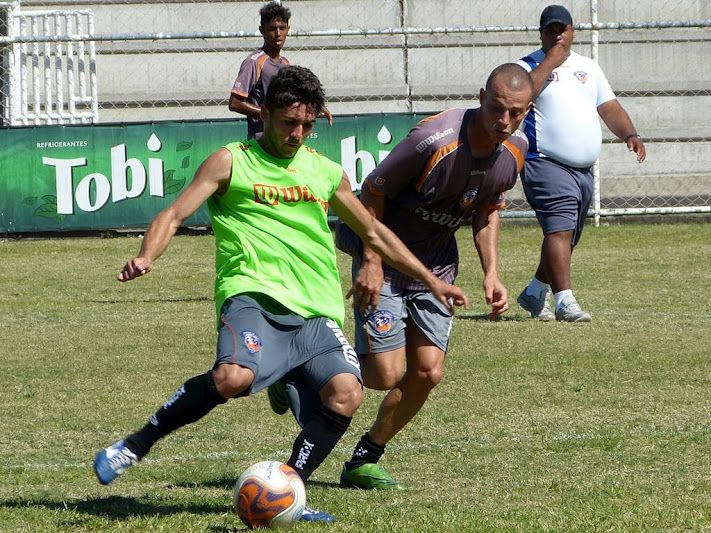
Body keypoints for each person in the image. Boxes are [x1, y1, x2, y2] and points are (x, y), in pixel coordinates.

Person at [93, 66, 468, 523]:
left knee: (347, 393)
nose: (297, 133)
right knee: (232, 378)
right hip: (253, 298)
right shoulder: (230, 161)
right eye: (289, 122)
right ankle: (134, 445)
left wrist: (431, 280)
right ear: (265, 114)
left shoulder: (326, 172)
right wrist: (148, 255)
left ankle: (288, 489)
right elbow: (172, 215)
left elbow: (373, 231)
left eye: (307, 125)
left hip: (315, 311)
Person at [269, 63, 534, 490]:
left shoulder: (515, 150)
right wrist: (371, 261)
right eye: (497, 108)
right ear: (482, 96)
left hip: (437, 268)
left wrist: (492, 274)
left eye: (516, 113)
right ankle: (298, 370)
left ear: (528, 110)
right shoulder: (435, 138)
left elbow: (486, 209)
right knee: (385, 374)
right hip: (387, 262)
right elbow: (374, 189)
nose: (504, 121)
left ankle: (365, 456)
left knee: (428, 372)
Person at [515, 4, 646, 322]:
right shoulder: (526, 66)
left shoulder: (589, 67)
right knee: (559, 228)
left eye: (564, 28)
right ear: (542, 33)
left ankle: (534, 292)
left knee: (568, 234)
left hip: (583, 170)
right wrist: (550, 63)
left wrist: (629, 133)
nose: (558, 34)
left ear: (573, 31)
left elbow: (609, 106)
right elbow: (519, 96)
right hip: (543, 161)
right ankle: (565, 302)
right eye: (551, 30)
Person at [228, 1, 331, 139]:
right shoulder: (254, 62)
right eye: (272, 28)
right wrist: (268, 116)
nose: (278, 33)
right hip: (261, 141)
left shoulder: (285, 63)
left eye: (282, 28)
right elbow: (235, 103)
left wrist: (315, 107)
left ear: (288, 29)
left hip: (283, 140)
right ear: (261, 30)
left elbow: (291, 100)